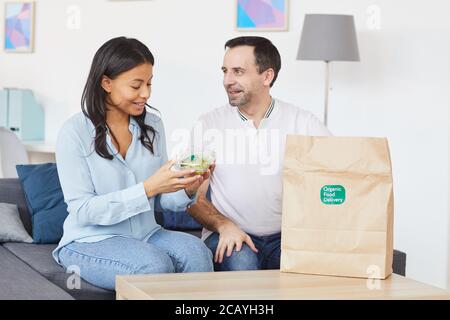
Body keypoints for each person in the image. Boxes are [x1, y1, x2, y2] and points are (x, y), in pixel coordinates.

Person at [52, 37, 213, 291]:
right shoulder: (74, 132)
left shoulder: (152, 126)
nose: (146, 94)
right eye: (136, 85)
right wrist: (147, 188)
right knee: (153, 265)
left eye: (149, 83)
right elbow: (83, 210)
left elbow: (164, 200)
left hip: (146, 233)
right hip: (90, 240)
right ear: (106, 83)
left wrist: (188, 187)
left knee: (197, 251)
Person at [187, 36, 331, 271]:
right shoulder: (208, 125)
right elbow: (192, 199)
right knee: (243, 262)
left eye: (238, 72)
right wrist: (224, 225)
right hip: (230, 234)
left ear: (267, 76)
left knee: (311, 270)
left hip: (286, 237)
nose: (227, 80)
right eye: (225, 71)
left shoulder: (302, 122)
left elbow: (338, 173)